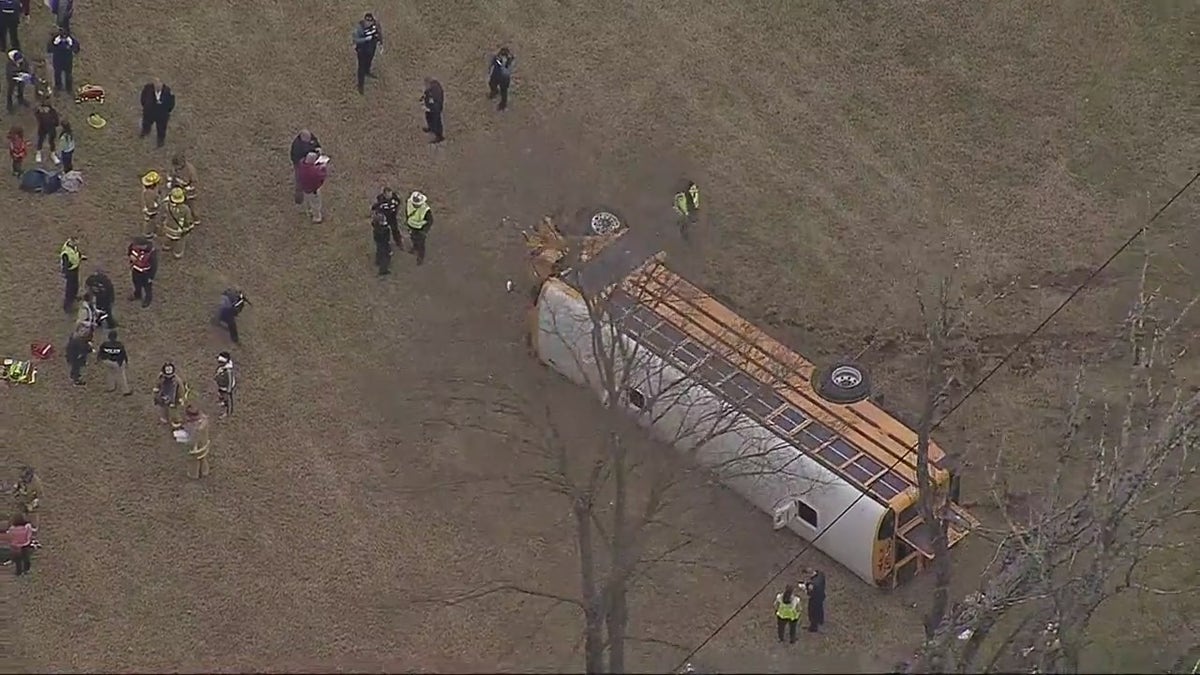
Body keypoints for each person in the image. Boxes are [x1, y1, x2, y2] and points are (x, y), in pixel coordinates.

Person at [351, 12, 382, 94]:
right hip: (362, 50)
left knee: (369, 60)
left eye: (370, 21)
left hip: (371, 48)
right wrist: (366, 39)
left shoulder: (375, 24)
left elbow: (379, 32)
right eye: (367, 21)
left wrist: (380, 42)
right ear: (364, 20)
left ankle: (367, 71)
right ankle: (360, 86)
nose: (368, 23)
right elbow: (356, 40)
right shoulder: (359, 28)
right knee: (361, 67)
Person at [139, 78, 175, 147]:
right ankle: (145, 132)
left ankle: (160, 141)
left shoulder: (167, 91)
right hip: (149, 112)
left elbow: (171, 103)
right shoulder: (148, 89)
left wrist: (167, 111)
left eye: (159, 84)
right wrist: (146, 107)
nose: (157, 86)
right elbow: (143, 98)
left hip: (162, 115)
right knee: (146, 123)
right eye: (156, 84)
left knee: (161, 128)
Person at [153, 362, 188, 430]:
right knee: (163, 408)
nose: (168, 371)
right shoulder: (161, 378)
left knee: (174, 411)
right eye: (167, 369)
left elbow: (181, 389)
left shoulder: (176, 380)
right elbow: (157, 385)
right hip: (163, 396)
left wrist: (181, 398)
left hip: (173, 398)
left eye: (170, 369)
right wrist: (156, 392)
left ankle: (176, 421)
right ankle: (164, 418)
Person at [289, 129, 321, 204]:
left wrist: (318, 149)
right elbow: (295, 159)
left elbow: (316, 143)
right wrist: (305, 160)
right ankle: (299, 199)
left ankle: (313, 190)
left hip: (311, 161)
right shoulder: (297, 146)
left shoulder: (311, 137)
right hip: (300, 165)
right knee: (299, 180)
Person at [163, 187, 196, 259]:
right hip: (178, 229)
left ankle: (166, 246)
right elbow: (188, 219)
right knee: (180, 241)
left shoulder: (167, 205)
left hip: (168, 225)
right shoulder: (185, 209)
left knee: (168, 237)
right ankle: (177, 253)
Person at [167, 152, 199, 225]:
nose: (176, 168)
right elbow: (170, 174)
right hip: (178, 189)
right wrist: (170, 180)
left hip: (189, 193)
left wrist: (188, 188)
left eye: (178, 166)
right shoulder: (174, 167)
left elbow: (194, 182)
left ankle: (195, 219)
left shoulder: (190, 170)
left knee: (191, 206)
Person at [296, 151, 327, 223]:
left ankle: (309, 212)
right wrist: (323, 168)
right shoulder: (313, 171)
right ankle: (317, 218)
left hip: (304, 187)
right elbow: (321, 176)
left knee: (307, 200)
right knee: (316, 204)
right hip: (313, 189)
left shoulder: (301, 164)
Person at [97, 330, 131, 395]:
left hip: (107, 361)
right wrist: (125, 362)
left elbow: (100, 353)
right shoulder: (119, 345)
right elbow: (123, 354)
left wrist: (99, 360)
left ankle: (111, 387)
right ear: (116, 337)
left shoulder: (105, 344)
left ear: (108, 337)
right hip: (117, 362)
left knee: (109, 373)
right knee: (121, 376)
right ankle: (125, 391)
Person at [45, 26, 78, 94]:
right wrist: (54, 45)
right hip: (58, 60)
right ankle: (58, 86)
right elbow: (49, 48)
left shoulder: (70, 40)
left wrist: (72, 47)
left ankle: (68, 88)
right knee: (57, 73)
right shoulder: (55, 40)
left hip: (67, 60)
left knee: (68, 74)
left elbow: (76, 48)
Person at [182, 405, 212, 479]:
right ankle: (205, 471)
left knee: (193, 462)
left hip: (195, 448)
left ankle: (193, 474)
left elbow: (191, 440)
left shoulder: (195, 428)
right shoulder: (204, 420)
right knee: (203, 459)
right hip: (204, 443)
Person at [127, 235, 157, 307]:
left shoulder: (151, 253)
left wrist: (151, 277)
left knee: (147, 288)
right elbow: (130, 250)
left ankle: (147, 299)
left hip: (146, 273)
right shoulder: (133, 246)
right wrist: (130, 256)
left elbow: (154, 266)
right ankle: (137, 294)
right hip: (136, 270)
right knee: (136, 283)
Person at [405, 190, 433, 265]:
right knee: (413, 238)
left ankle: (420, 257)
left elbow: (430, 221)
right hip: (411, 226)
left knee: (421, 244)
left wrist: (424, 231)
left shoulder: (426, 210)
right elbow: (407, 211)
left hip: (420, 229)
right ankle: (415, 247)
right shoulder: (409, 202)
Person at [12, 466, 42, 531]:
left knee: (33, 514)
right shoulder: (22, 479)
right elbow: (18, 484)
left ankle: (34, 528)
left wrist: (32, 504)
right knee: (22, 512)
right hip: (23, 499)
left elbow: (39, 496)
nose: (23, 479)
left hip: (31, 500)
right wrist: (16, 489)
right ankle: (25, 522)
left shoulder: (36, 483)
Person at [59, 235, 83, 312]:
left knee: (75, 285)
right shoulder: (66, 252)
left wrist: (80, 257)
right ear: (72, 241)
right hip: (70, 271)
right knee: (69, 289)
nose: (78, 243)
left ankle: (74, 296)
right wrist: (66, 273)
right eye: (76, 241)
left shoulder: (73, 247)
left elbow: (76, 253)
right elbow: (65, 265)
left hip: (75, 269)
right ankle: (67, 306)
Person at [32, 98, 57, 163]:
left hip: (51, 128)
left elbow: (57, 121)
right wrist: (40, 112)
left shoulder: (53, 111)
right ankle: (38, 153)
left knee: (52, 141)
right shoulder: (40, 112)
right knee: (41, 140)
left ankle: (53, 154)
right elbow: (37, 116)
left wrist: (53, 122)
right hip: (42, 128)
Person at [420, 76, 444, 143]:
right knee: (428, 116)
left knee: (436, 120)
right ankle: (430, 127)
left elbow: (435, 99)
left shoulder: (435, 89)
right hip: (430, 107)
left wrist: (432, 107)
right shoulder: (431, 88)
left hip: (435, 108)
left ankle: (439, 136)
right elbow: (426, 94)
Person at [140, 170, 162, 238]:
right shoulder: (149, 193)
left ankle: (152, 230)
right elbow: (151, 204)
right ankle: (147, 234)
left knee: (153, 221)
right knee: (149, 222)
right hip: (150, 211)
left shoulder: (150, 191)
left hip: (151, 210)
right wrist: (157, 204)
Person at [214, 351, 235, 418]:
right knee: (221, 395)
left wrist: (229, 390)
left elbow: (230, 380)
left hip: (226, 388)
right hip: (221, 386)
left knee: (227, 398)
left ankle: (227, 412)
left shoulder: (228, 371)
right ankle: (223, 402)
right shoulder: (222, 368)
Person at [371, 210, 392, 275]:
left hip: (378, 241)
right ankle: (383, 270)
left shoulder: (375, 227)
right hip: (384, 242)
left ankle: (378, 261)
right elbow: (387, 238)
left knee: (379, 251)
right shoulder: (385, 229)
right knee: (385, 256)